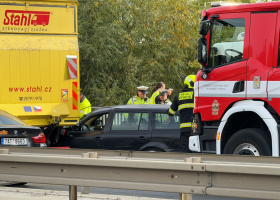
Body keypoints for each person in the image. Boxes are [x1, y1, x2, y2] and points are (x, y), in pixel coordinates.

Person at [168, 75, 196, 153]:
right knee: (196, 152)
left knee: (186, 151)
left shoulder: (178, 96)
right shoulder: (196, 96)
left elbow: (171, 112)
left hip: (184, 130)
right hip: (195, 129)